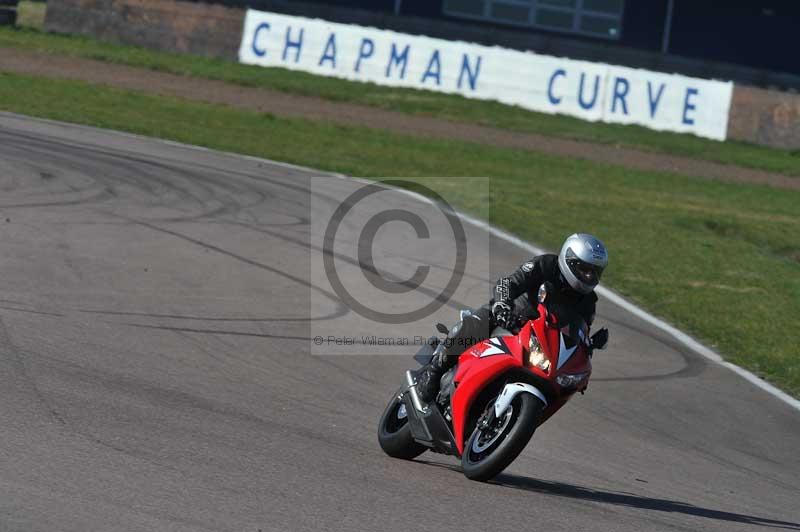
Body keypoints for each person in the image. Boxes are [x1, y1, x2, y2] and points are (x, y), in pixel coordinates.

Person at [416, 233, 610, 403]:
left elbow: (577, 335)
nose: (589, 276)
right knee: (476, 323)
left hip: (539, 343)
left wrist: (588, 347)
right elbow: (508, 283)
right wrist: (502, 305)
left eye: (594, 272)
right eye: (584, 269)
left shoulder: (588, 303)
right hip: (511, 319)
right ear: (569, 260)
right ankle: (433, 372)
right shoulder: (545, 265)